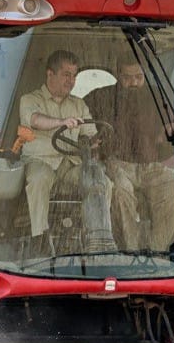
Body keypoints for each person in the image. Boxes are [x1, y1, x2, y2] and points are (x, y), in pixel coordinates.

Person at [18, 50, 117, 257]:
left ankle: (98, 237)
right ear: (50, 74)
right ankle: (40, 239)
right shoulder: (30, 99)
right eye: (66, 75)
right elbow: (35, 120)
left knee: (102, 180)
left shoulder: (78, 104)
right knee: (38, 178)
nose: (71, 81)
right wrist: (61, 122)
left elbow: (89, 134)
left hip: (71, 164)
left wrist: (95, 141)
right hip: (41, 161)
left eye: (74, 75)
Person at [85, 56, 174, 254]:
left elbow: (172, 134)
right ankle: (131, 252)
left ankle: (156, 250)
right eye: (127, 78)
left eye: (138, 77)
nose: (134, 82)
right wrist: (91, 141)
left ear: (145, 74)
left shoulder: (159, 97)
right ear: (117, 74)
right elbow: (81, 123)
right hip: (117, 164)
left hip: (152, 166)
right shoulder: (99, 97)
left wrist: (169, 133)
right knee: (119, 191)